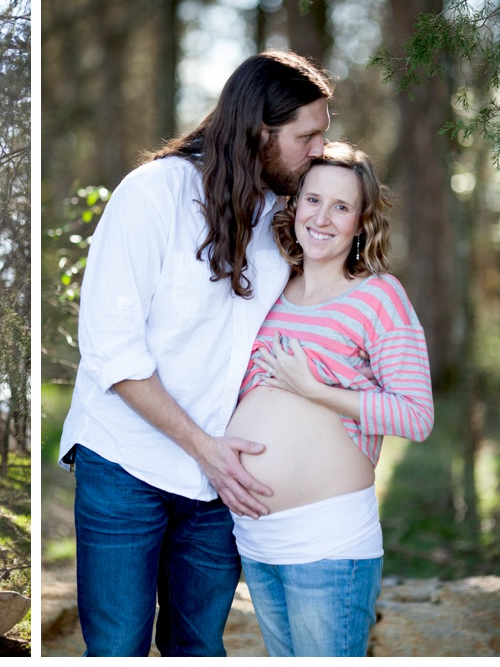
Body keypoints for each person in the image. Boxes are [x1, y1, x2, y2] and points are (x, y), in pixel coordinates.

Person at [58, 49, 333, 657]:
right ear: (260, 129)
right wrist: (204, 448)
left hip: (221, 480)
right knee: (117, 647)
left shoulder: (286, 217)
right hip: (124, 464)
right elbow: (112, 350)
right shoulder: (153, 193)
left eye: (323, 135)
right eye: (306, 136)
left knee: (198, 646)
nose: (318, 151)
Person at [226, 142, 434, 656]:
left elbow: (416, 416)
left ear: (361, 222)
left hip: (330, 543)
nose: (322, 218)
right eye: (312, 200)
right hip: (256, 541)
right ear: (294, 207)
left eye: (341, 207)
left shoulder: (378, 296)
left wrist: (315, 391)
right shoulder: (270, 288)